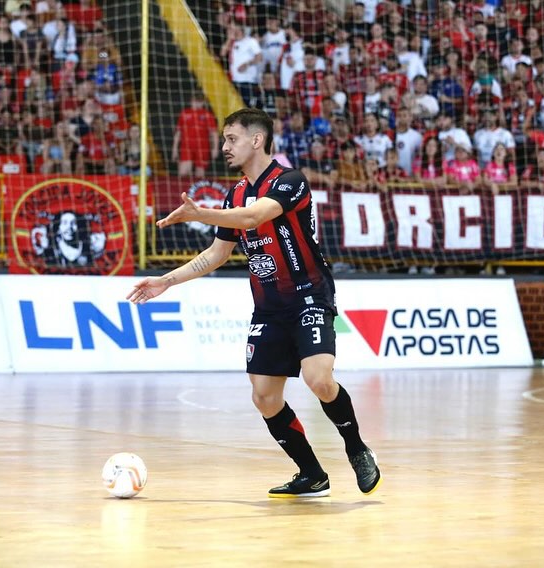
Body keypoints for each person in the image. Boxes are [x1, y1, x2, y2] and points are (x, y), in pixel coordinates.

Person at [127, 108, 381, 498]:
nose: (224, 147)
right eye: (224, 140)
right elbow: (215, 255)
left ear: (257, 140)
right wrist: (166, 280)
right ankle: (312, 474)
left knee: (318, 378)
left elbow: (252, 218)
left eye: (232, 139)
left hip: (309, 296)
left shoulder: (290, 181)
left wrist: (200, 212)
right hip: (269, 307)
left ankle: (357, 449)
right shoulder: (234, 193)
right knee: (263, 396)